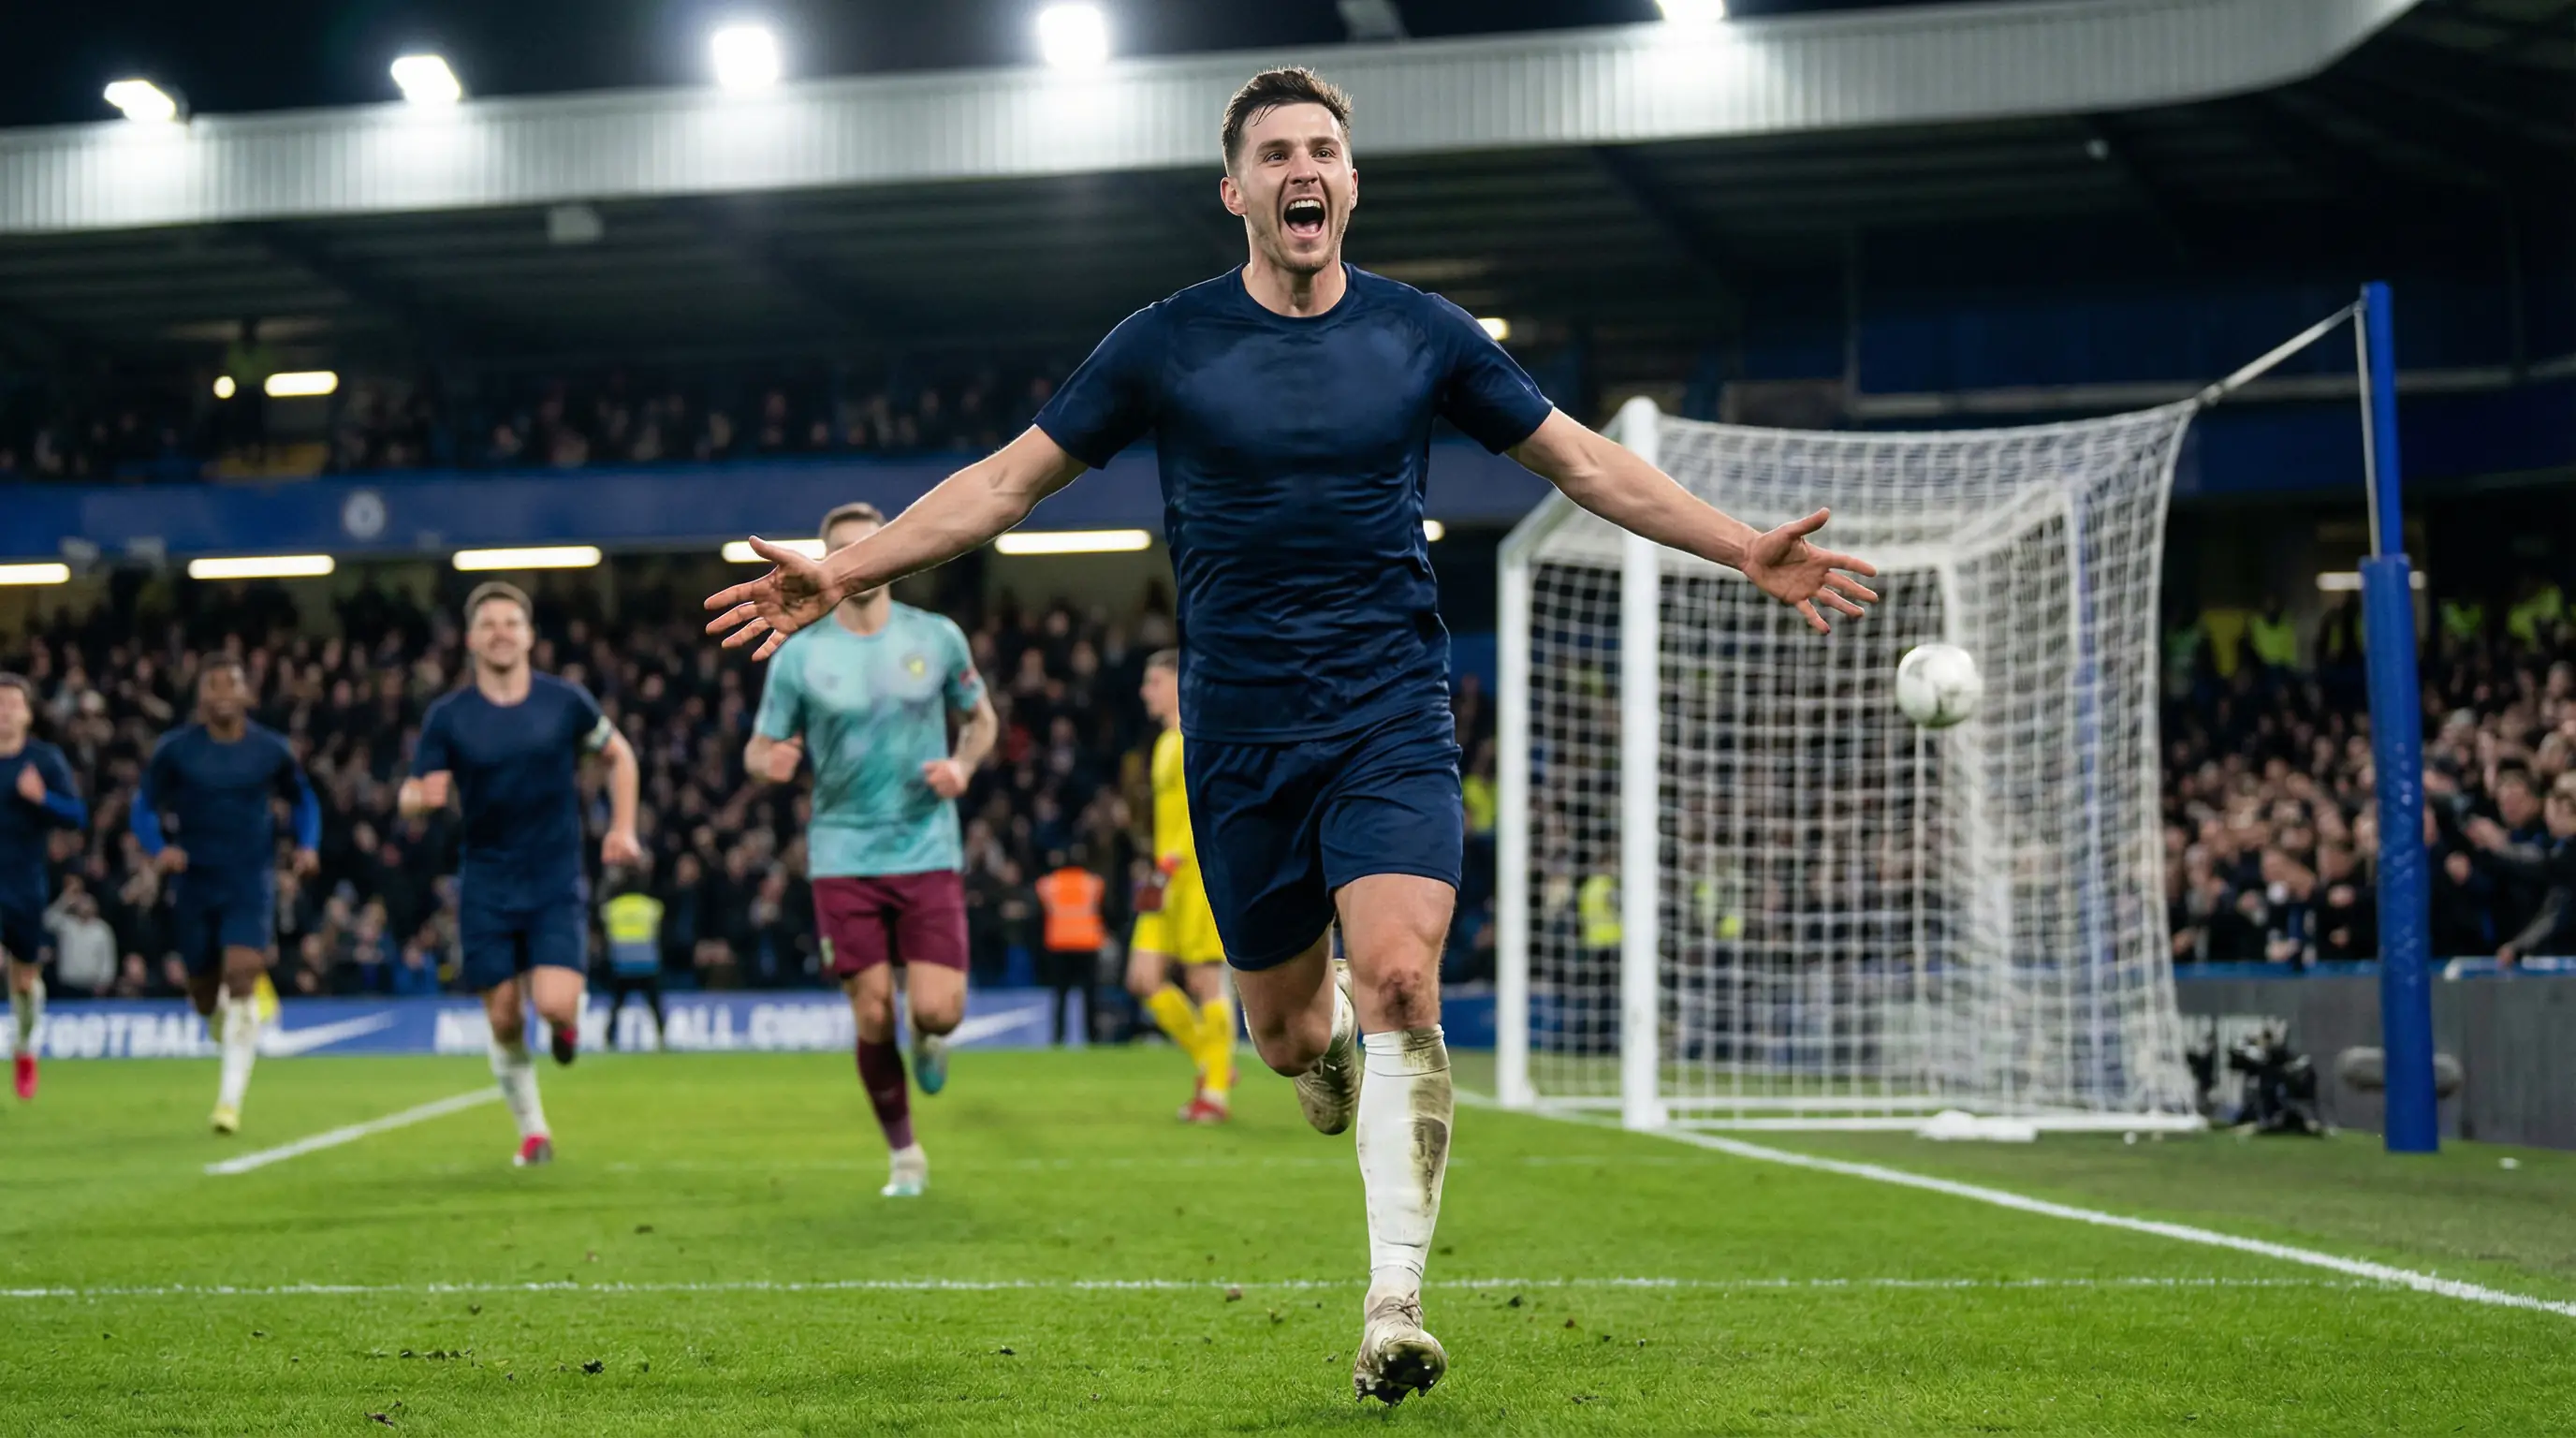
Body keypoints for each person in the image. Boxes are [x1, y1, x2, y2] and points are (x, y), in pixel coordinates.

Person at [702, 67, 1877, 1405]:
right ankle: (1316, 1060)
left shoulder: (1426, 334)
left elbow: (1583, 463)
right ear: (1238, 191)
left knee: (1399, 983)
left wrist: (1741, 548)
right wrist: (849, 571)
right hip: (1241, 737)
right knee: (1280, 1035)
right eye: (1274, 154)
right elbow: (1004, 484)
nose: (1301, 169)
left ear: (1351, 183)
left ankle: (1393, 1305)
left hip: (1389, 712)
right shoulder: (1164, 342)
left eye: (1323, 148)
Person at [744, 502, 996, 1200]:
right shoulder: (801, 653)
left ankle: (932, 1037)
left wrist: (964, 768)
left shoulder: (937, 637)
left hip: (926, 846)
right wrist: (772, 760)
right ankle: (905, 1154)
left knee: (938, 1012)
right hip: (842, 854)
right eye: (844, 550)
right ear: (826, 563)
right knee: (873, 1012)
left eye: (872, 546)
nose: (861, 559)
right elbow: (760, 748)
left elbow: (982, 721)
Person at [401, 581, 642, 1167]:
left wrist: (623, 828)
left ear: (530, 635)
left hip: (555, 877)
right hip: (486, 880)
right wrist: (417, 799)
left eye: (512, 622)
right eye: (489, 624)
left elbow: (620, 755)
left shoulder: (565, 703)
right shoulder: (450, 716)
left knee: (557, 1005)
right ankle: (534, 1132)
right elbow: (411, 790)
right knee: (505, 1015)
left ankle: (564, 1031)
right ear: (471, 640)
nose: (501, 632)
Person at [131, 657, 319, 1134]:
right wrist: (159, 849)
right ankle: (237, 1026)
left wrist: (308, 844)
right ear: (200, 697)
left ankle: (228, 1103)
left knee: (240, 974)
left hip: (249, 879)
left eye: (230, 684)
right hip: (194, 880)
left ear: (248, 695)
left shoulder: (270, 750)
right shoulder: (176, 750)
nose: (221, 693)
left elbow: (304, 800)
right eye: (211, 685)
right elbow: (143, 806)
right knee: (203, 994)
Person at [1124, 649, 1236, 1119]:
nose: (1144, 691)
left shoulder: (1196, 739)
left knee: (1204, 979)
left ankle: (1213, 1094)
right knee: (1142, 978)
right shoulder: (1165, 742)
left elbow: (1205, 811)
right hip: (1165, 875)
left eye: (1153, 681)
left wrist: (1171, 866)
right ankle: (1213, 1062)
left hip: (1195, 876)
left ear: (1176, 683)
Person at [0, 673, 85, 1100]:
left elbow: (76, 815)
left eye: (13, 704)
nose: (4, 712)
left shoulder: (44, 761)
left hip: (23, 885)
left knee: (23, 983)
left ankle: (25, 1047)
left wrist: (42, 799)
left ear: (28, 714)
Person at [1036, 845, 1106, 1047]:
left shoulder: (1049, 884)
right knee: (1090, 997)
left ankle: (1058, 1039)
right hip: (1087, 944)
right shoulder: (1092, 883)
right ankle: (1093, 1038)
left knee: (1060, 997)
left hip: (1060, 945)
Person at [600, 864, 667, 1049]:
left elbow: (605, 932)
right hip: (648, 964)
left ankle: (609, 1038)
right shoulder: (652, 907)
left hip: (622, 964)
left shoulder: (611, 908)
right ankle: (662, 1038)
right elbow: (659, 933)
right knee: (654, 1005)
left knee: (617, 1004)